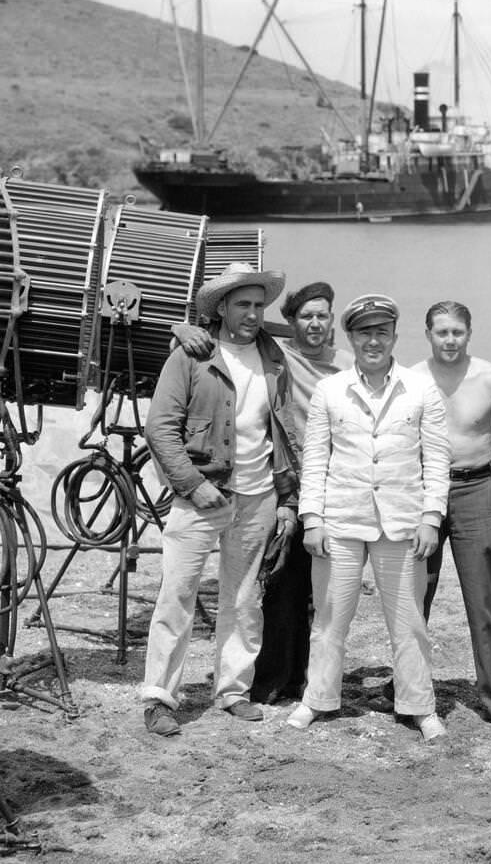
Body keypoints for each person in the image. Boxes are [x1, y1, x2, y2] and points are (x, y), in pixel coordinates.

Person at [138, 262, 298, 737]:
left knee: (245, 598)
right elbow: (159, 430)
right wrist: (191, 483)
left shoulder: (275, 356)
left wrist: (287, 498)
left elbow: (284, 432)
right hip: (201, 496)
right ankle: (159, 698)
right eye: (241, 304)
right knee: (177, 596)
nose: (251, 313)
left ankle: (233, 690)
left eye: (257, 305)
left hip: (259, 496)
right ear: (222, 307)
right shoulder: (190, 356)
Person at [286, 294, 451, 742]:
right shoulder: (330, 390)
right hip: (341, 519)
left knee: (408, 621)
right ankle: (316, 698)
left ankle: (419, 706)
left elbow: (436, 458)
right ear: (351, 338)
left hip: (402, 522)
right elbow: (316, 457)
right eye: (364, 332)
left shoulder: (421, 389)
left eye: (381, 331)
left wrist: (431, 517)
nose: (373, 341)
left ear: (395, 336)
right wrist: (313, 517)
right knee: (330, 617)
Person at [410, 300, 491, 727]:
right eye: (442, 332)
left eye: (457, 332)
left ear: (469, 334)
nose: (450, 340)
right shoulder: (412, 380)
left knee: (484, 597)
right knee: (418, 593)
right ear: (428, 334)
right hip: (424, 492)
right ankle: (411, 688)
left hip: (477, 487)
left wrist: (487, 480)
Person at [250, 282, 354, 703]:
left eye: (323, 315)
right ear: (290, 322)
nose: (315, 323)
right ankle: (275, 679)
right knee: (282, 584)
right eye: (306, 316)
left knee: (323, 591)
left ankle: (313, 679)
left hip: (339, 485)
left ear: (333, 320)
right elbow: (230, 327)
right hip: (290, 483)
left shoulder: (347, 364)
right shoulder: (276, 357)